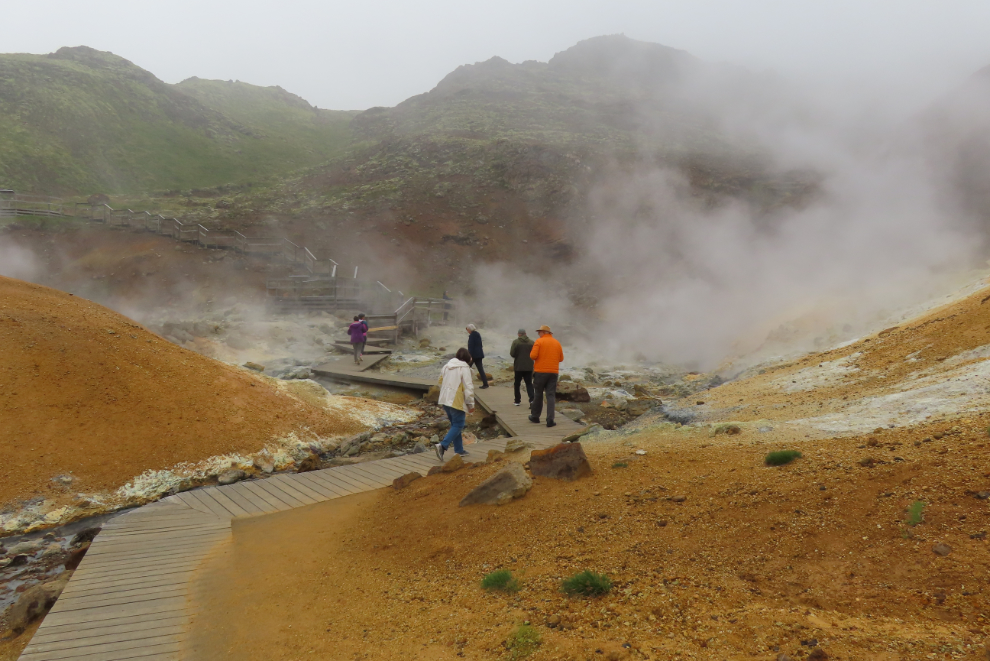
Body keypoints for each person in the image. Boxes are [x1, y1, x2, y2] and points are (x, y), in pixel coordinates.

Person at [435, 347, 475, 460]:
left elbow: (439, 381)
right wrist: (470, 404)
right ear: (468, 358)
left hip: (445, 398)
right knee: (459, 424)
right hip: (456, 400)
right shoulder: (464, 368)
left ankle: (459, 450)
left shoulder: (447, 366)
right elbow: (468, 387)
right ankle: (442, 446)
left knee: (455, 425)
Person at [529, 324, 564, 428]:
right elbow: (561, 359)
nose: (538, 334)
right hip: (553, 372)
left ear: (544, 333)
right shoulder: (557, 343)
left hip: (540, 372)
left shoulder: (539, 342)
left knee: (538, 394)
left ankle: (535, 416)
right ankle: (550, 420)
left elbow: (533, 356)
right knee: (550, 395)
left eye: (539, 332)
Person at [509, 328, 535, 406]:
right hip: (529, 367)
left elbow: (512, 353)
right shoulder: (532, 342)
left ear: (519, 334)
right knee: (529, 384)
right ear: (525, 334)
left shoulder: (516, 342)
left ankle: (517, 401)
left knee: (517, 384)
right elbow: (535, 354)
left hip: (519, 367)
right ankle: (532, 400)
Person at [466, 323, 489, 389]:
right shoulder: (478, 334)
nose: (467, 331)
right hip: (479, 354)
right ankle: (485, 384)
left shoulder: (472, 336)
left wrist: (469, 355)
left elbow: (471, 347)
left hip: (473, 356)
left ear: (470, 329)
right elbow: (480, 345)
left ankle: (463, 383)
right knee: (481, 370)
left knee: (466, 368)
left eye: (467, 330)